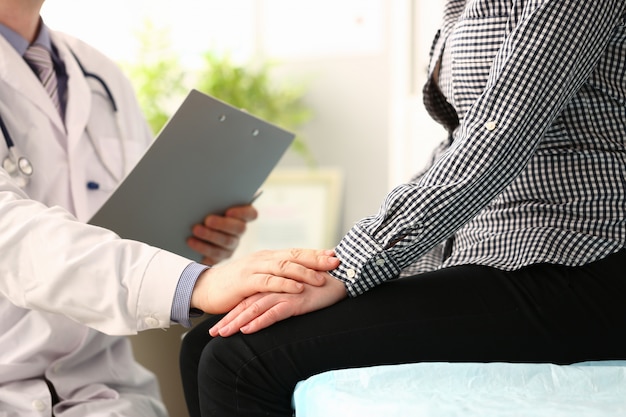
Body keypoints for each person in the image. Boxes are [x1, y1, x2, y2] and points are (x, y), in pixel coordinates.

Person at [179, 1, 626, 416]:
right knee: (205, 341)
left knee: (238, 361)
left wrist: (349, 268)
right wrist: (327, 266)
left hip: (582, 257)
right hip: (493, 258)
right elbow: (456, 145)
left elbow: (497, 136)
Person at [0, 1, 338, 415]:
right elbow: (13, 239)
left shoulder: (99, 74)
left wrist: (193, 245)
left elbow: (130, 232)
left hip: (107, 390)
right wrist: (196, 284)